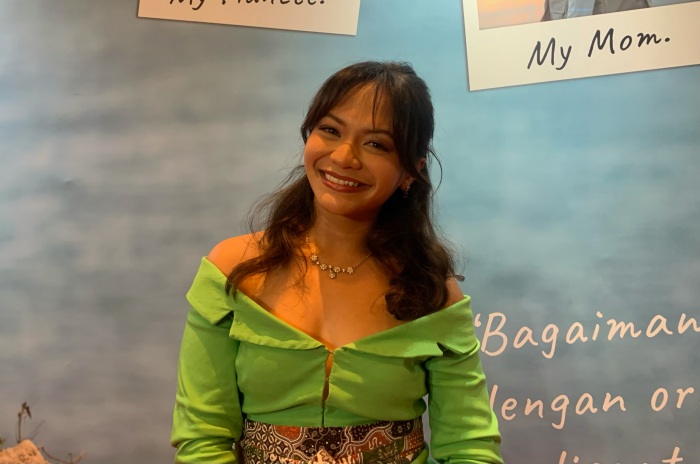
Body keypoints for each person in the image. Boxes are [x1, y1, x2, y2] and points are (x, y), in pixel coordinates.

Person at [170, 61, 503, 464]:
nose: (344, 157)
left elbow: (470, 447)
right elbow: (203, 438)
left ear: (410, 172)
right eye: (330, 130)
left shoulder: (432, 291)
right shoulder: (233, 269)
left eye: (376, 144)